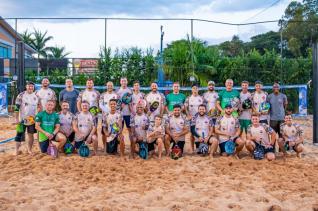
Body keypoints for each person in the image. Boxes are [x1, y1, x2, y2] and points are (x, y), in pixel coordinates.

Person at [14, 81, 41, 155]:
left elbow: (39, 107)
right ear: (26, 87)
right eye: (29, 86)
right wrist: (16, 119)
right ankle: (16, 150)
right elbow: (16, 108)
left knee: (31, 135)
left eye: (32, 86)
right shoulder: (21, 95)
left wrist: (37, 115)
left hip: (32, 120)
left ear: (33, 87)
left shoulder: (36, 96)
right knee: (19, 134)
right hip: (22, 119)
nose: (30, 87)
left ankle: (29, 150)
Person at [185, 84, 205, 153]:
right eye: (193, 88)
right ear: (191, 89)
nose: (195, 89)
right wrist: (188, 115)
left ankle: (199, 147)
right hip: (192, 119)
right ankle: (192, 149)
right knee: (191, 134)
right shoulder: (188, 98)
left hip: (200, 118)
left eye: (196, 88)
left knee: (198, 132)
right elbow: (185, 107)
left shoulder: (201, 98)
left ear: (198, 89)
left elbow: (204, 108)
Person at [116, 77, 133, 142]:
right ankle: (119, 147)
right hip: (120, 114)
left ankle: (132, 146)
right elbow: (115, 102)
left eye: (125, 81)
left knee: (130, 130)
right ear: (120, 82)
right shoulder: (117, 91)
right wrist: (120, 107)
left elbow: (131, 101)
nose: (124, 82)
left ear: (127, 82)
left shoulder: (130, 90)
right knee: (119, 130)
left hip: (128, 114)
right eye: (122, 81)